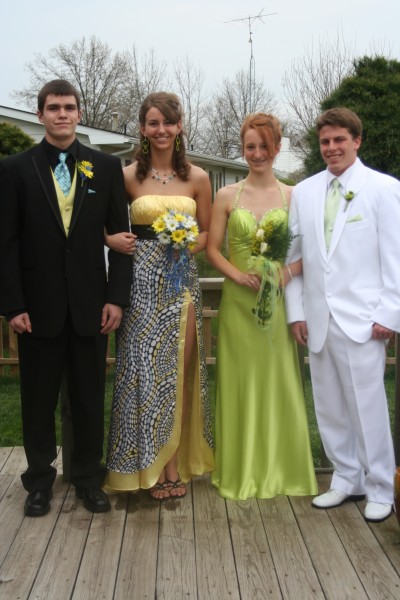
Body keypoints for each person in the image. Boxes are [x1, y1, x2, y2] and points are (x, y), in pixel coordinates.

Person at [0, 79, 132, 516]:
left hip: (92, 306)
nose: (62, 114)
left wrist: (116, 298)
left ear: (79, 113)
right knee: (38, 400)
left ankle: (88, 478)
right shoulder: (15, 169)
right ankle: (39, 480)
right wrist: (13, 305)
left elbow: (121, 240)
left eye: (69, 107)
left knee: (89, 398)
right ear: (40, 115)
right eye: (53, 107)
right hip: (37, 309)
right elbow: (6, 243)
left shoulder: (104, 167)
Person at [285, 107, 400, 522]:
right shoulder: (304, 191)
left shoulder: (384, 189)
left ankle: (381, 487)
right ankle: (346, 478)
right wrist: (296, 312)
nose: (331, 148)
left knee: (368, 408)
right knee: (329, 406)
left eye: (339, 140)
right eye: (325, 141)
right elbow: (293, 258)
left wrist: (389, 313)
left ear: (356, 141)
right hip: (318, 318)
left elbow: (395, 257)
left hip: (364, 321)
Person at [104, 92, 214, 500]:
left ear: (180, 126)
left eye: (168, 122)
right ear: (143, 129)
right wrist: (109, 239)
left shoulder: (198, 178)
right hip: (139, 287)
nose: (162, 129)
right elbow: (104, 224)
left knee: (179, 373)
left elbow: (207, 232)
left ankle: (173, 463)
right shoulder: (126, 176)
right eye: (154, 123)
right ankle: (146, 464)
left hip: (181, 284)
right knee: (143, 375)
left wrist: (185, 243)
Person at [206, 112, 318, 500]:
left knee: (278, 381)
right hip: (238, 305)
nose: (257, 154)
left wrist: (285, 273)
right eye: (250, 147)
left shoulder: (294, 195)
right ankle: (241, 469)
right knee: (239, 382)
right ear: (243, 149)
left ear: (277, 147)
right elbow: (212, 250)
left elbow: (311, 253)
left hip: (278, 303)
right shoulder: (226, 195)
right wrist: (237, 277)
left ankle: (282, 468)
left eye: (264, 146)